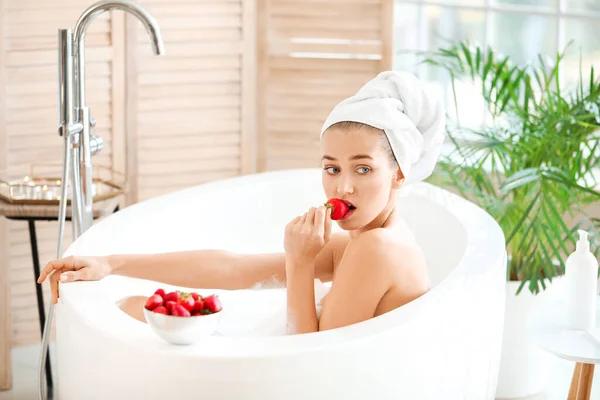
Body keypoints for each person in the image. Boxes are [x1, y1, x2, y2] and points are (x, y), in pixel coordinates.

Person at [38, 70, 446, 335]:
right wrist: (112, 263)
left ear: (399, 174)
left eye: (362, 169)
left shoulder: (378, 248)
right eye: (332, 168)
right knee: (132, 306)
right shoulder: (370, 236)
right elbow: (235, 269)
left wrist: (301, 262)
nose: (342, 189)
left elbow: (309, 363)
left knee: (138, 318)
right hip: (293, 354)